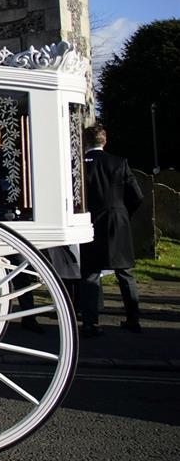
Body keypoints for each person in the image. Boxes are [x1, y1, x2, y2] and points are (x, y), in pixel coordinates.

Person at [78, 124, 144, 337]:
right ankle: (133, 319)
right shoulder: (119, 162)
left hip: (91, 220)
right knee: (124, 272)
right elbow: (137, 195)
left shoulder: (80, 165)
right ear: (104, 141)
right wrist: (123, 212)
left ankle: (89, 322)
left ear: (86, 141)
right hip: (117, 219)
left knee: (90, 273)